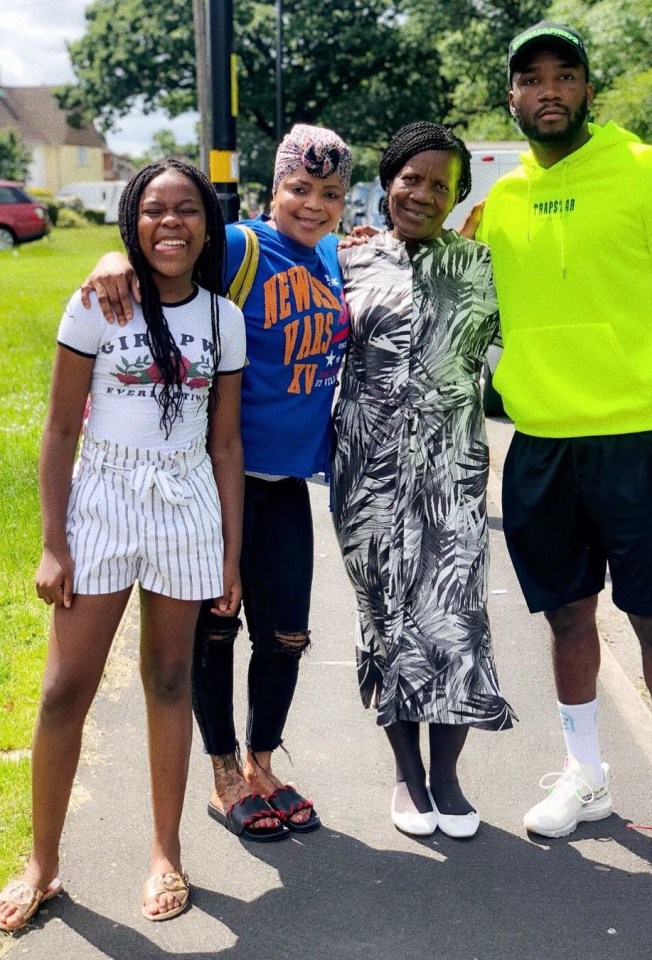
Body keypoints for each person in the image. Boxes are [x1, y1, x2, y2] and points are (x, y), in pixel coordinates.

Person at [467, 21, 652, 876]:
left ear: (588, 87)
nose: (547, 90)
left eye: (564, 75)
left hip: (633, 443)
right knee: (567, 615)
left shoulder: (650, 171)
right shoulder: (501, 201)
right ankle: (588, 776)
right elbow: (440, 276)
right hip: (539, 445)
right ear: (510, 96)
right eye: (530, 79)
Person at [79, 125, 351, 841]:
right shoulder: (240, 245)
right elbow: (157, 260)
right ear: (274, 187)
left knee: (286, 635)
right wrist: (109, 255)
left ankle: (263, 762)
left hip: (287, 483)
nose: (313, 204)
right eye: (298, 188)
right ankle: (223, 770)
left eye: (329, 193)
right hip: (215, 476)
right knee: (217, 630)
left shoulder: (329, 258)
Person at [0, 159, 246, 931]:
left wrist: (230, 555)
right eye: (152, 210)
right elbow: (61, 429)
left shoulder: (221, 319)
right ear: (130, 222)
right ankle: (42, 862)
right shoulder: (98, 304)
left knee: (170, 680)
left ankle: (166, 852)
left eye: (186, 210)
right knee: (64, 690)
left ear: (208, 225)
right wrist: (53, 544)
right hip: (103, 501)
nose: (169, 223)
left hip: (185, 506)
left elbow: (226, 442)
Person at [332, 122, 517, 840]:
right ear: (388, 181)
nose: (423, 193)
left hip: (452, 472)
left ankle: (447, 778)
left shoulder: (482, 265)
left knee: (453, 621)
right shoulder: (345, 260)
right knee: (384, 620)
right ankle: (407, 778)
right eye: (412, 178)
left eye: (441, 184)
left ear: (458, 196)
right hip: (367, 475)